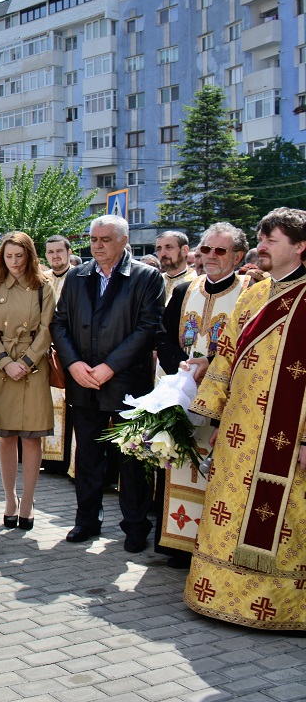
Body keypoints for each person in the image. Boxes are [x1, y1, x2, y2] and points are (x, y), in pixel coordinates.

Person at [185, 207, 306, 630]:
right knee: (230, 510)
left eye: (271, 240)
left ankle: (280, 605)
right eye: (261, 238)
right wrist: (210, 415)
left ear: (300, 246)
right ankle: (220, 595)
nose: (261, 247)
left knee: (284, 518)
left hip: (288, 437)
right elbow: (227, 356)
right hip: (241, 431)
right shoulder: (255, 294)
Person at [51, 215, 164, 550]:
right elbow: (59, 324)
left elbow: (147, 329)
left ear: (124, 241)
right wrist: (73, 364)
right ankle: (86, 520)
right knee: (87, 457)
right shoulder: (77, 275)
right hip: (83, 382)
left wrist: (109, 367)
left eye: (105, 239)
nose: (97, 246)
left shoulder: (146, 277)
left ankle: (134, 527)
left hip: (128, 383)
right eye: (93, 239)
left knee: (132, 458)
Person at [155, 222, 250, 569]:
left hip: (226, 397)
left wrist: (209, 366)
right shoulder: (184, 290)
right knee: (180, 462)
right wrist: (181, 366)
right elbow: (163, 333)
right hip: (184, 388)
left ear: (238, 256)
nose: (210, 256)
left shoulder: (248, 292)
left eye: (220, 251)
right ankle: (179, 547)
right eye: (206, 249)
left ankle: (211, 544)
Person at [0, 233, 55, 531]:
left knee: (31, 435)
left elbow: (47, 329)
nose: (14, 262)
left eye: (19, 256)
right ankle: (9, 498)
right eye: (9, 256)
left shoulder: (43, 288)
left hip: (32, 368)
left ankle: (28, 501)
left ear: (30, 256)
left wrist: (24, 363)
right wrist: (5, 362)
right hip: (1, 367)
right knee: (6, 435)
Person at [42, 234, 75, 474]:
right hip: (44, 353)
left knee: (70, 408)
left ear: (68, 252)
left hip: (70, 353)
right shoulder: (41, 280)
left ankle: (67, 461)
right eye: (51, 252)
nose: (55, 256)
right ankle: (49, 460)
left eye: (59, 251)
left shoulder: (79, 278)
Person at [155, 230, 197, 302]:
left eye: (169, 247)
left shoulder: (196, 282)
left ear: (184, 250)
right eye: (159, 249)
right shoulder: (155, 281)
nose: (162, 253)